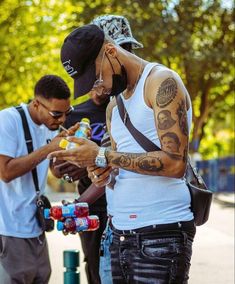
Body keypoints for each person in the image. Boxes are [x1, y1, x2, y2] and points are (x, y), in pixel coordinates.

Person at [49, 23, 195, 283]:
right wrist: (96, 169)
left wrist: (102, 155)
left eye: (97, 77)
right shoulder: (114, 106)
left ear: (111, 52)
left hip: (159, 235)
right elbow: (117, 168)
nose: (100, 88)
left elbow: (175, 164)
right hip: (118, 233)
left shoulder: (161, 83)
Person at [51, 15, 143, 284]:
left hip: (134, 213)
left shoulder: (137, 100)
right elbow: (58, 169)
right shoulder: (76, 114)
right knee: (98, 273)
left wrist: (97, 156)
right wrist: (77, 163)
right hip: (94, 211)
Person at [0, 75, 76, 284]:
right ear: (36, 104)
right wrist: (48, 149)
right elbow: (5, 172)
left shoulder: (49, 127)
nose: (61, 120)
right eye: (56, 114)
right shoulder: (8, 120)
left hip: (37, 228)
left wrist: (68, 154)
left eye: (66, 113)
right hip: (9, 229)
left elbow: (55, 172)